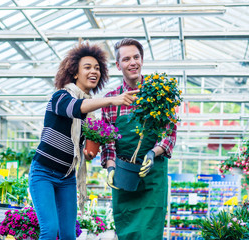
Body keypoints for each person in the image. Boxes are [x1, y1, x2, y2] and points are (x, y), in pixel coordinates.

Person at [28, 42, 138, 240]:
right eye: (87, 67)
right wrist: (112, 100)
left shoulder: (89, 115)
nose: (93, 71)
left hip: (67, 177)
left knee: (69, 235)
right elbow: (76, 108)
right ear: (75, 73)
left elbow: (83, 145)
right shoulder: (60, 97)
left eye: (97, 68)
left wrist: (88, 152)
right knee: (50, 230)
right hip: (43, 173)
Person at [101, 38, 177, 239]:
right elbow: (108, 142)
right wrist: (110, 167)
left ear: (142, 60)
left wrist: (153, 152)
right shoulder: (110, 100)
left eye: (136, 57)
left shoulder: (160, 94)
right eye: (126, 59)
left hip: (152, 178)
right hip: (125, 177)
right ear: (118, 65)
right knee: (127, 232)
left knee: (150, 233)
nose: (132, 62)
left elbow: (169, 132)